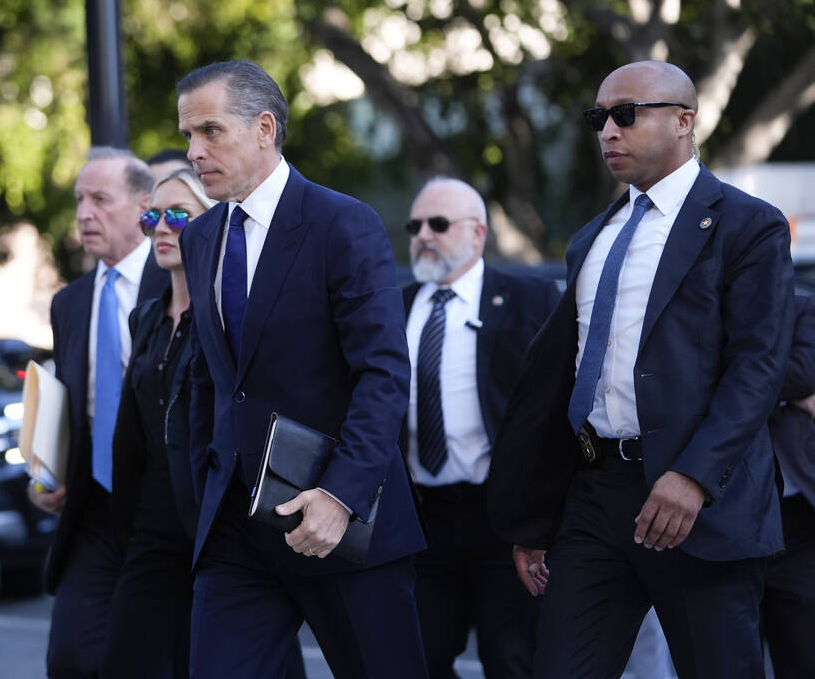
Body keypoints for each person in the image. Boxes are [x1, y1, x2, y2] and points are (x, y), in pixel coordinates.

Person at [488, 60, 794, 678]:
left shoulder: (747, 224)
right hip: (597, 496)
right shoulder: (591, 238)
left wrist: (694, 477)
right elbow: (557, 381)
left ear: (684, 121)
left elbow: (758, 367)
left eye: (626, 115)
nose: (607, 132)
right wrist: (535, 517)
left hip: (700, 502)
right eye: (598, 118)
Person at [177, 60, 429, 678]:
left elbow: (383, 374)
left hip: (338, 519)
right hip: (236, 531)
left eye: (210, 131)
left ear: (264, 127)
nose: (193, 151)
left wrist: (341, 495)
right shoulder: (200, 237)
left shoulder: (343, 223)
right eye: (188, 135)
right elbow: (217, 381)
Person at [400, 177, 558, 678]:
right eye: (415, 225)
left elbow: (557, 408)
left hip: (503, 518)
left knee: (511, 660)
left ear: (478, 233)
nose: (424, 234)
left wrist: (543, 518)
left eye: (439, 224)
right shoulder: (391, 305)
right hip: (422, 520)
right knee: (418, 660)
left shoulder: (527, 299)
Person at [32, 147, 169, 677]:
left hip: (163, 509)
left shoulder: (176, 279)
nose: (84, 214)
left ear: (142, 206)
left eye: (100, 200)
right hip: (93, 510)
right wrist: (46, 474)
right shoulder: (70, 303)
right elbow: (71, 404)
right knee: (70, 657)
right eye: (79, 201)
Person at [101, 168, 212, 678]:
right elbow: (135, 434)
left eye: (178, 216)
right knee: (124, 661)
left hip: (216, 533)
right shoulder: (146, 317)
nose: (162, 228)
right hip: (150, 529)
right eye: (152, 217)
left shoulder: (231, 316)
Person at [763, 292, 815, 679]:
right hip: (723, 508)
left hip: (796, 514)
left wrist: (740, 377)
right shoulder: (707, 303)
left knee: (801, 652)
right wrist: (791, 398)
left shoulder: (800, 306)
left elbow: (803, 371)